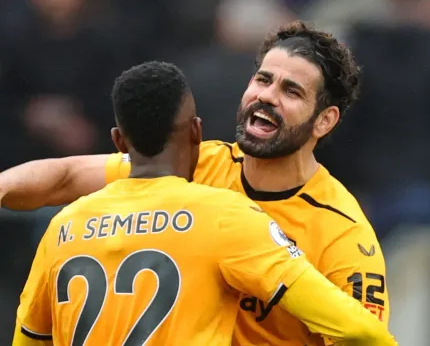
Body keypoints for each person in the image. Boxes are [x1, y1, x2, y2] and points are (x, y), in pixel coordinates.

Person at [2, 21, 389, 345]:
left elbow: (366, 336)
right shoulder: (193, 166)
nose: (266, 97)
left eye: (291, 91)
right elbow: (64, 177)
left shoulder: (343, 234)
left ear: (324, 120)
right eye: (262, 79)